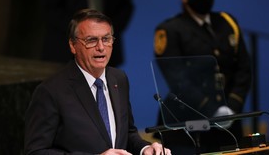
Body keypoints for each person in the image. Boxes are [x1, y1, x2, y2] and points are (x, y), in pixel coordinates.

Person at [25, 9, 171, 155]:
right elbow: (36, 151)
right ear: (73, 45)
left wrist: (145, 149)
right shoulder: (51, 91)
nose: (101, 47)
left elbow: (127, 133)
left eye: (106, 39)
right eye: (91, 40)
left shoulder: (119, 79)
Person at [153, 0, 251, 154]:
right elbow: (176, 78)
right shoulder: (170, 30)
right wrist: (213, 109)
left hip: (228, 124)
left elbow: (243, 69)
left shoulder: (228, 22)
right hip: (187, 125)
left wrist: (232, 107)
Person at [5, 0, 133, 67]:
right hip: (63, 56)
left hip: (108, 57)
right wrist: (82, 32)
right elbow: (49, 7)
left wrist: (106, 32)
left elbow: (125, 5)